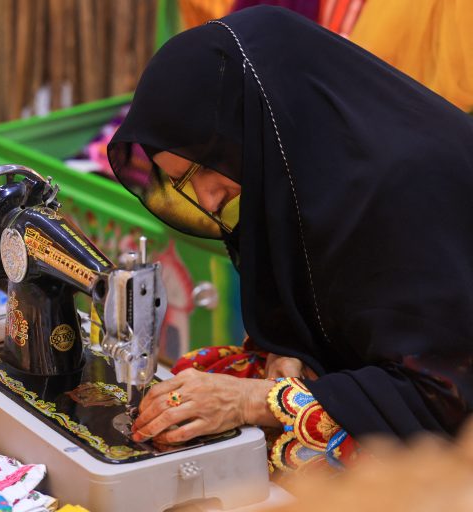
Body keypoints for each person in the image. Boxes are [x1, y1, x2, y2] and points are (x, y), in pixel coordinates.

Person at [107, 6, 473, 472]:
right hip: (397, 382)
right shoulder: (305, 173)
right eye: (179, 181)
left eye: (203, 166)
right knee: (197, 379)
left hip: (451, 417)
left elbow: (444, 395)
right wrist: (290, 351)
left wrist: (255, 401)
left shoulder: (403, 185)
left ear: (257, 121)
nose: (206, 198)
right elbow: (322, 315)